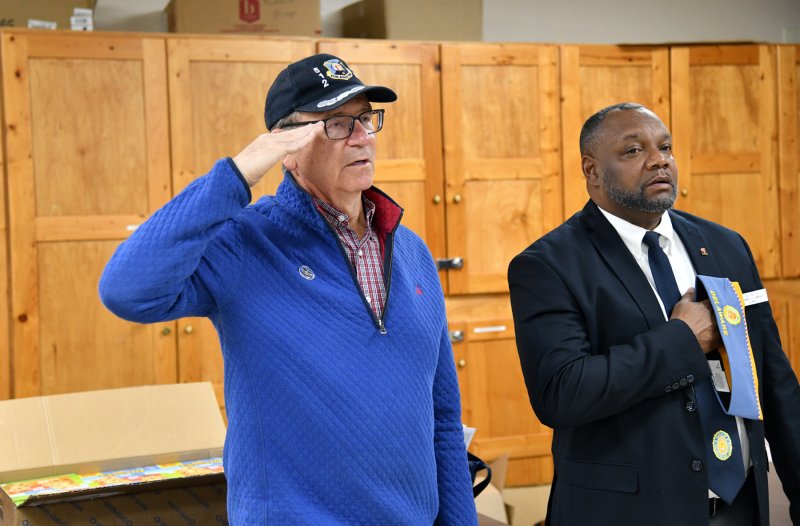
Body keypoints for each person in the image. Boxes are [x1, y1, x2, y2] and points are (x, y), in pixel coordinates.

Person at [99, 53, 477, 525]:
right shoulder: (245, 243)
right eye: (337, 124)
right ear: (288, 148)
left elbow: (441, 417)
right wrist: (239, 172)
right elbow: (126, 289)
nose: (361, 137)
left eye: (365, 119)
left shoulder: (413, 252)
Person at [508, 102, 800, 526]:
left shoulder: (725, 246)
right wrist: (681, 340)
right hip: (628, 512)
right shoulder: (548, 265)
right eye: (633, 151)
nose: (658, 159)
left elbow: (774, 381)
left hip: (742, 506)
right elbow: (562, 392)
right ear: (591, 170)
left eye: (665, 147)